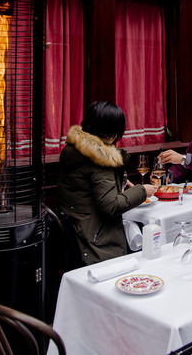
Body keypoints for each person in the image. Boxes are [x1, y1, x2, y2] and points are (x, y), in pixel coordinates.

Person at [57, 101, 157, 267]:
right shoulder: (99, 158)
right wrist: (142, 191)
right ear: (111, 134)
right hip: (97, 242)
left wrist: (118, 182)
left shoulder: (74, 149)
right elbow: (111, 206)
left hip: (76, 234)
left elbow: (86, 189)